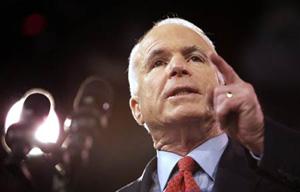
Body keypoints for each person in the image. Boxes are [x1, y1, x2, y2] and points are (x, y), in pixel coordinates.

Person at [117, 17, 300, 192]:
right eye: (158, 63)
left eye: (195, 58)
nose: (177, 66)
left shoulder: (280, 174)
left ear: (224, 86)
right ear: (136, 109)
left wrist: (261, 136)